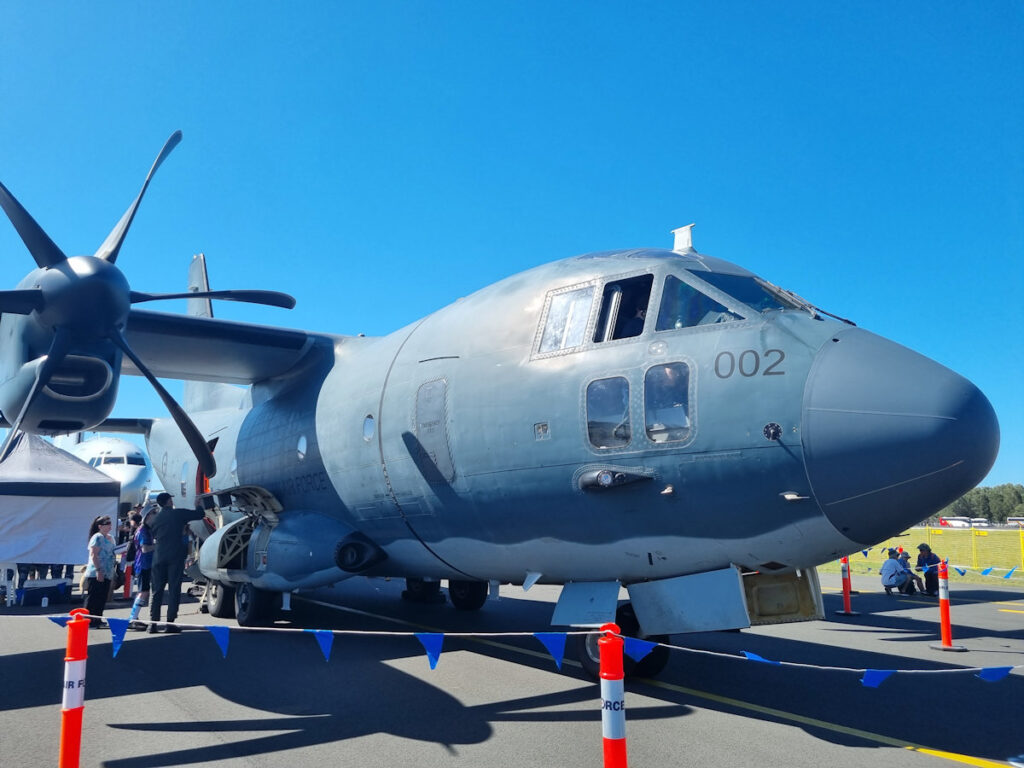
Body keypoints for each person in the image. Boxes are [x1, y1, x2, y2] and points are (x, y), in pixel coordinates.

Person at [148, 493, 204, 633]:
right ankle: (170, 622)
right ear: (169, 501)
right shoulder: (177, 513)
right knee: (174, 589)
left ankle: (152, 623)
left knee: (156, 590)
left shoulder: (155, 519)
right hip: (175, 555)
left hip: (159, 555)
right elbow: (199, 514)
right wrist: (198, 504)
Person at [83, 515, 117, 627]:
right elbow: (94, 555)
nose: (109, 526)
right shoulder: (97, 537)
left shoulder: (110, 537)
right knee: (93, 597)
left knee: (102, 597)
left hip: (108, 571)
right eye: (107, 524)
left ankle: (98, 618)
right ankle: (88, 620)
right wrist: (98, 570)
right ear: (100, 526)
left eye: (110, 523)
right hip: (96, 571)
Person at [126, 507, 157, 630]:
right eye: (153, 513)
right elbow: (145, 548)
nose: (156, 515)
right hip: (143, 564)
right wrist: (157, 545)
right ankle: (133, 618)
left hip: (145, 564)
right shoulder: (143, 530)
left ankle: (134, 617)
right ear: (148, 516)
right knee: (143, 592)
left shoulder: (146, 529)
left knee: (144, 591)